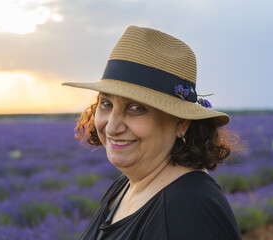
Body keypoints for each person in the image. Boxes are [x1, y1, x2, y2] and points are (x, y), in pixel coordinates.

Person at [63, 26, 242, 240]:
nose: (112, 127)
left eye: (136, 108)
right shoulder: (125, 186)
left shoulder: (191, 208)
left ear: (181, 122)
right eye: (107, 103)